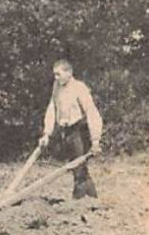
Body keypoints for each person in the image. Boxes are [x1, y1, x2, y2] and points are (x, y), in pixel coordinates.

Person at [39, 59, 103, 199]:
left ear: (69, 73)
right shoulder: (57, 86)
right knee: (77, 166)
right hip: (65, 132)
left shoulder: (79, 87)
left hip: (79, 131)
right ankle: (91, 198)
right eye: (54, 75)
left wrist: (95, 140)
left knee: (78, 165)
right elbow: (52, 109)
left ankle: (79, 198)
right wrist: (47, 133)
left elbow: (91, 112)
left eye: (58, 74)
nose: (55, 78)